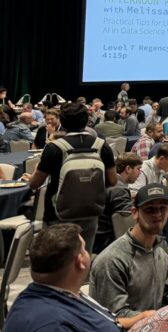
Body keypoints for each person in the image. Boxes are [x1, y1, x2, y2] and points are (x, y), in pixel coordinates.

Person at [0, 223, 153, 332]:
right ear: (80, 261)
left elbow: (87, 325)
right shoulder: (48, 322)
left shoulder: (58, 292)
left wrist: (137, 320)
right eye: (84, 249)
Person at [29, 101, 116, 252]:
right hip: (91, 210)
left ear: (62, 121)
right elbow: (113, 180)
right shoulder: (102, 145)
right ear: (86, 120)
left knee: (56, 259)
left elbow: (35, 184)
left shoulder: (54, 148)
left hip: (58, 214)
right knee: (83, 255)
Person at [89, 184, 168, 316]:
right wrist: (157, 318)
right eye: (149, 210)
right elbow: (114, 316)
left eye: (162, 208)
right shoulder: (112, 260)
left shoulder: (160, 246)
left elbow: (167, 291)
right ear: (134, 213)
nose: (157, 215)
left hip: (152, 325)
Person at [95, 152, 143, 253]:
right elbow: (127, 220)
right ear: (128, 169)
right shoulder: (119, 189)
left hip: (97, 237)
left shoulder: (108, 182)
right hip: (108, 243)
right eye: (138, 169)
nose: (140, 173)